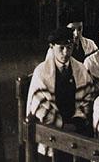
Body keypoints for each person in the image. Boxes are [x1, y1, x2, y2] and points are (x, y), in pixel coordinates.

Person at [26, 27, 94, 161]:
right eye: (61, 48)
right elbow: (39, 105)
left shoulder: (80, 69)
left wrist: (77, 122)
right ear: (52, 47)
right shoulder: (41, 72)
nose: (66, 52)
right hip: (50, 130)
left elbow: (88, 97)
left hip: (76, 128)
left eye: (69, 47)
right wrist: (62, 125)